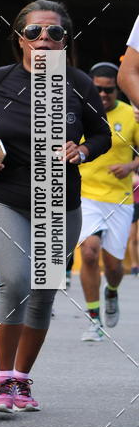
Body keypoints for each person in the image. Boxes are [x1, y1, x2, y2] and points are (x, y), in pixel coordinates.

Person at [0, 0, 110, 413]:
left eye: (54, 33)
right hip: (4, 199)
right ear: (20, 39)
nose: (44, 39)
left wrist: (82, 150)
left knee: (43, 292)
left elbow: (102, 135)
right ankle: (2, 378)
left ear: (65, 41)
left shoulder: (79, 84)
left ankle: (21, 381)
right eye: (34, 32)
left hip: (59, 204)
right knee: (14, 280)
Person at [78, 63, 139, 340]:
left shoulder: (130, 114)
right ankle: (94, 319)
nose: (103, 94)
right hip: (86, 195)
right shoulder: (78, 111)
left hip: (119, 199)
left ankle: (111, 291)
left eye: (109, 90)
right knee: (89, 253)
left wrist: (131, 166)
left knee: (114, 267)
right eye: (98, 89)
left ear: (118, 89)